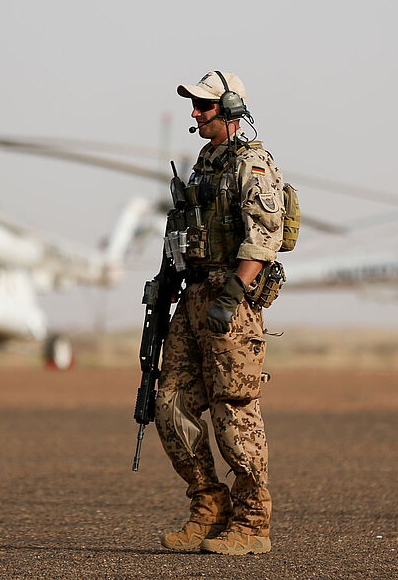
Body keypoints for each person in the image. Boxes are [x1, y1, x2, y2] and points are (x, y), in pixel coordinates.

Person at [155, 70, 283, 555]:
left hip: (231, 302)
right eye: (194, 105)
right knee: (169, 404)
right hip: (192, 297)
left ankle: (252, 523)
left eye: (204, 106)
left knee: (233, 409)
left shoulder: (253, 163)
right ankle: (209, 508)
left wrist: (232, 295)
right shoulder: (205, 162)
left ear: (229, 108)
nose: (195, 113)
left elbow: (264, 234)